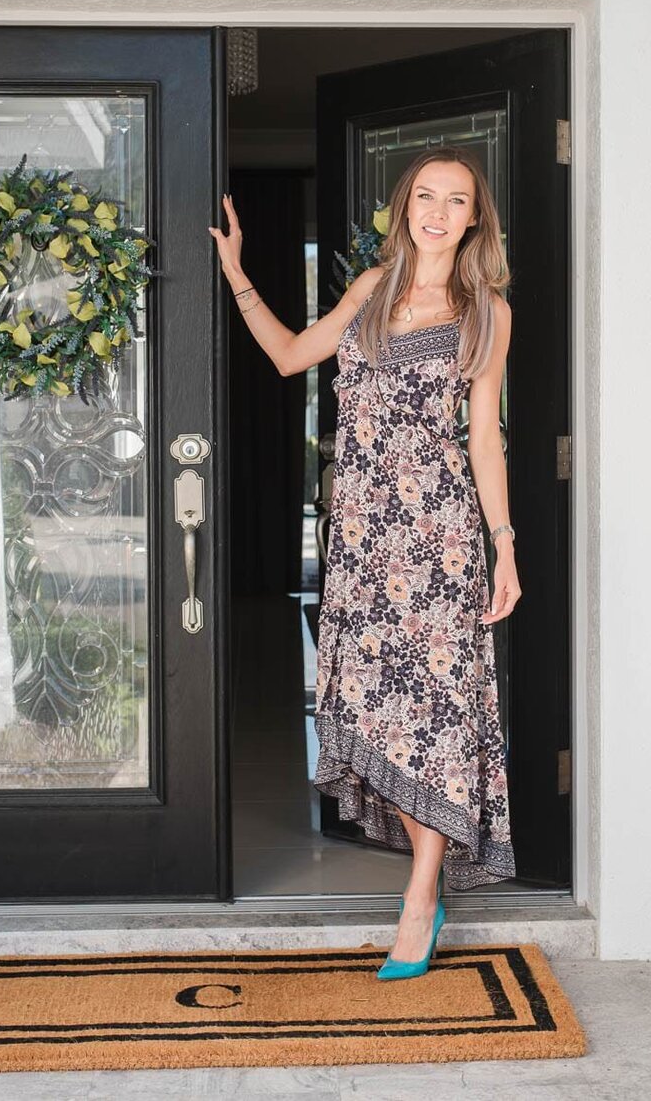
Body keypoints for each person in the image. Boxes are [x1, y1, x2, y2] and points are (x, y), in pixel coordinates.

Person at [209, 147, 520, 980]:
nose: (439, 213)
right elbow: (288, 356)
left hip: (441, 541)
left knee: (438, 716)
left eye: (457, 201)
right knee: (376, 711)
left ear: (474, 219)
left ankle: (419, 897)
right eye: (427, 196)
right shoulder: (370, 290)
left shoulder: (487, 312)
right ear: (404, 205)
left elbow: (484, 439)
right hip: (361, 540)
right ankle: (427, 880)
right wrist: (237, 274)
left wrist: (505, 545)